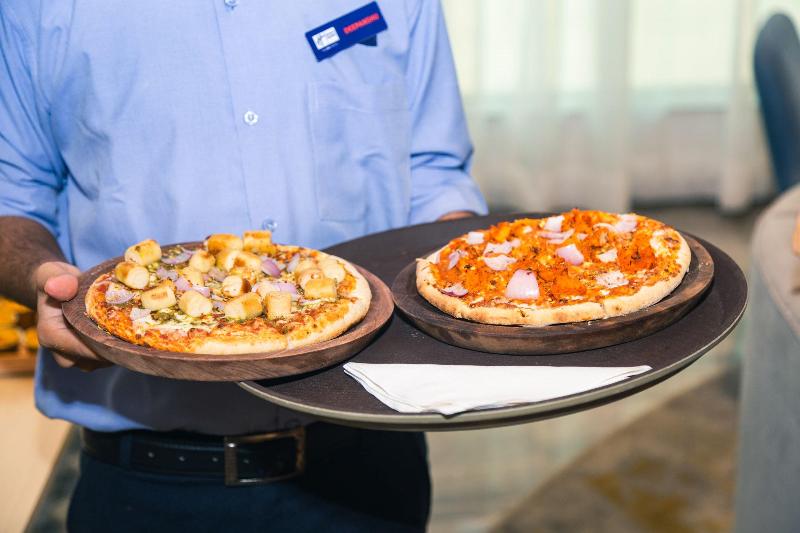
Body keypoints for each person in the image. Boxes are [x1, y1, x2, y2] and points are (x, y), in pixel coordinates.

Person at [0, 1, 486, 531]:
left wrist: (480, 278)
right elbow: (11, 200)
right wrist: (44, 278)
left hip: (373, 460)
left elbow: (435, 171)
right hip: (148, 483)